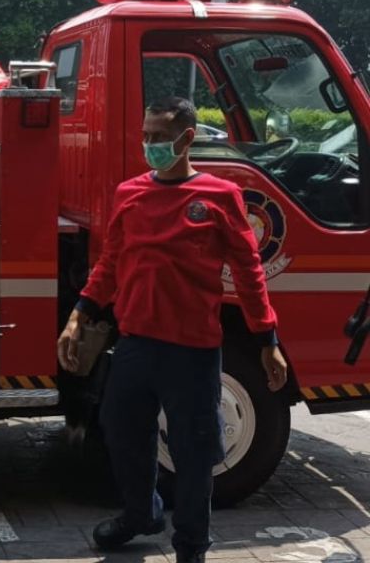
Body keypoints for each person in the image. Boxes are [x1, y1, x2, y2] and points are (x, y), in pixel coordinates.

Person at [57, 96, 289, 563]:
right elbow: (111, 263)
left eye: (159, 138)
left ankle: (191, 546)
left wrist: (268, 342)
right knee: (120, 431)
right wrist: (78, 316)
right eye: (145, 136)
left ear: (186, 139)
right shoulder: (130, 193)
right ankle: (141, 514)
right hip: (136, 344)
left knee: (195, 450)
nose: (149, 145)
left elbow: (248, 273)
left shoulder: (220, 197)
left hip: (193, 352)